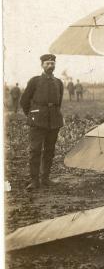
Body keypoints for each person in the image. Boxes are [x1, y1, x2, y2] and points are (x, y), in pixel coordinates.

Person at [19, 54, 64, 190]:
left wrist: (54, 114)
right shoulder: (35, 81)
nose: (50, 66)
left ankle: (45, 178)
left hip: (54, 121)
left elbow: (59, 102)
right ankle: (34, 180)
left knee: (50, 150)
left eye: (52, 63)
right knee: (35, 150)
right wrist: (32, 116)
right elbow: (24, 101)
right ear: (42, 65)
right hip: (37, 121)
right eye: (47, 64)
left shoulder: (58, 82)